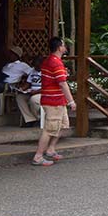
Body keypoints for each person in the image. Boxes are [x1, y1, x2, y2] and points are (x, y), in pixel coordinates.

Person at [33, 37, 76, 167]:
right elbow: (62, 83)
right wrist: (71, 101)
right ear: (59, 47)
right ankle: (38, 156)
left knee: (62, 125)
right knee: (50, 128)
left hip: (56, 99)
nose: (65, 47)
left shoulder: (50, 61)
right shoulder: (55, 62)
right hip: (53, 100)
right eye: (63, 45)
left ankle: (50, 149)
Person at [13, 58, 43, 128]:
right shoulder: (33, 71)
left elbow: (48, 87)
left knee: (33, 99)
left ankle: (38, 118)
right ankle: (30, 119)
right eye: (35, 66)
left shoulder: (47, 72)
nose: (36, 68)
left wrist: (36, 92)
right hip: (32, 92)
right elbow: (28, 83)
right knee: (19, 97)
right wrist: (21, 89)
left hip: (42, 93)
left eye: (38, 66)